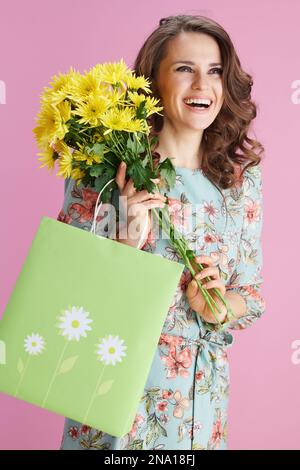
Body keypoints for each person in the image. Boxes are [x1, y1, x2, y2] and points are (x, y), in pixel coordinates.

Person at [58, 14, 266, 450]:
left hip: (202, 400)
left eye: (214, 72)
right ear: (153, 82)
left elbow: (250, 294)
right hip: (116, 387)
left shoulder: (239, 185)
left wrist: (218, 307)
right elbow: (66, 291)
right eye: (184, 69)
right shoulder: (102, 174)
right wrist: (125, 243)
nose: (201, 85)